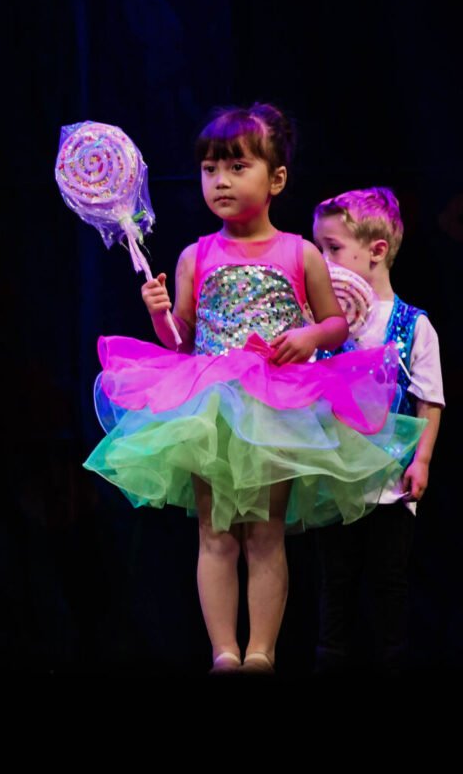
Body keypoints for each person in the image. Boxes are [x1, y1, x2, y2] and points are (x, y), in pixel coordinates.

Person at [83, 104, 422, 673]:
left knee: (266, 534)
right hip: (211, 406)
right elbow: (181, 340)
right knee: (215, 533)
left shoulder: (300, 252)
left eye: (237, 167)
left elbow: (335, 324)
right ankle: (224, 650)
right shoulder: (195, 255)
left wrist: (307, 335)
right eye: (210, 169)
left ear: (276, 178)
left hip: (277, 402)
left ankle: (261, 650)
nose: (221, 180)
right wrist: (160, 313)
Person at [312, 187, 444, 673]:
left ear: (377, 250)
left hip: (391, 483)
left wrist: (421, 460)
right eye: (319, 249)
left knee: (389, 583)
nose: (323, 261)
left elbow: (430, 399)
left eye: (333, 248)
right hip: (335, 480)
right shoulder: (324, 327)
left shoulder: (413, 325)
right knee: (336, 583)